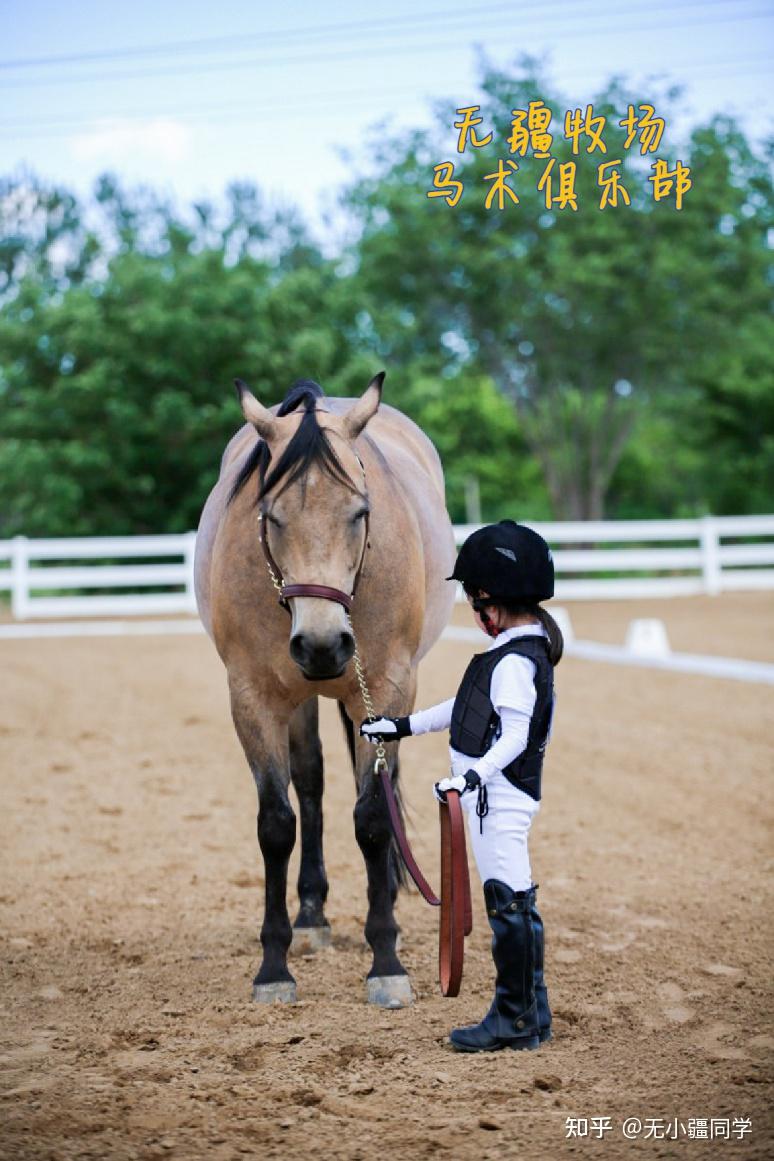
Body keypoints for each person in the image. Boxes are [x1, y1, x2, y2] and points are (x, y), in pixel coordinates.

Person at [359, 520, 562, 1053]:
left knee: (507, 899)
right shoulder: (511, 654)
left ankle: (513, 1018)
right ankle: (531, 1009)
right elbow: (465, 711)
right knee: (513, 897)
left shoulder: (516, 661)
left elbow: (515, 735)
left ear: (488, 601)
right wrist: (399, 726)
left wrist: (472, 776)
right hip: (489, 796)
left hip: (499, 799)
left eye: (474, 601)